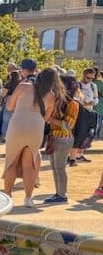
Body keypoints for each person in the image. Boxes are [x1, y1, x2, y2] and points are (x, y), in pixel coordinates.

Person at [3, 67, 60, 208]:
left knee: (11, 161)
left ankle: (8, 196)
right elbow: (46, 117)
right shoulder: (51, 95)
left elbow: (10, 107)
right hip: (36, 127)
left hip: (18, 125)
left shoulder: (23, 86)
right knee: (29, 164)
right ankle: (28, 198)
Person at [42, 77, 80, 205]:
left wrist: (51, 119)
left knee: (59, 167)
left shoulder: (72, 103)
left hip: (64, 138)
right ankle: (59, 193)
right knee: (55, 167)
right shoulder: (58, 101)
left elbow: (68, 125)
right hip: (55, 137)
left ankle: (62, 194)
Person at [0, 59, 36, 141]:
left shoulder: (24, 83)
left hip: (24, 119)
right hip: (38, 120)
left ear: (24, 69)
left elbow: (10, 106)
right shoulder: (41, 82)